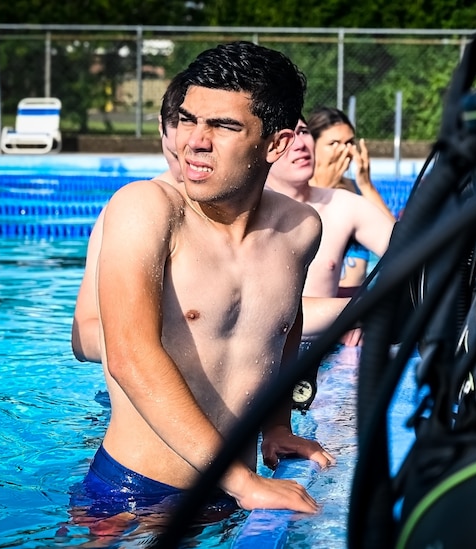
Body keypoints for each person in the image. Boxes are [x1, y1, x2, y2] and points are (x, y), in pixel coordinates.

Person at [73, 41, 336, 522]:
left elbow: (285, 326)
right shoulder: (146, 209)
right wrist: (244, 484)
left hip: (235, 495)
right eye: (190, 119)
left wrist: (278, 424)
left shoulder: (300, 229)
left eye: (224, 126)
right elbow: (130, 356)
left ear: (275, 143)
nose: (194, 140)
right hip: (134, 495)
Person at [71, 76, 185, 364]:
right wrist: (146, 348)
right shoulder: (129, 211)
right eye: (175, 152)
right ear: (162, 128)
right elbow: (83, 335)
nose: (188, 157)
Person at [266, 116, 396, 346]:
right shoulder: (243, 212)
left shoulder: (342, 204)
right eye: (286, 136)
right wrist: (356, 312)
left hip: (323, 355)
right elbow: (267, 316)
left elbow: (416, 254)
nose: (299, 144)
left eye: (304, 132)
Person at [306, 106, 396, 297]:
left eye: (349, 143)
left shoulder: (356, 191)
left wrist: (366, 185)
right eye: (334, 143)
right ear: (312, 145)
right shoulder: (299, 191)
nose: (346, 151)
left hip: (356, 305)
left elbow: (397, 242)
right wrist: (325, 189)